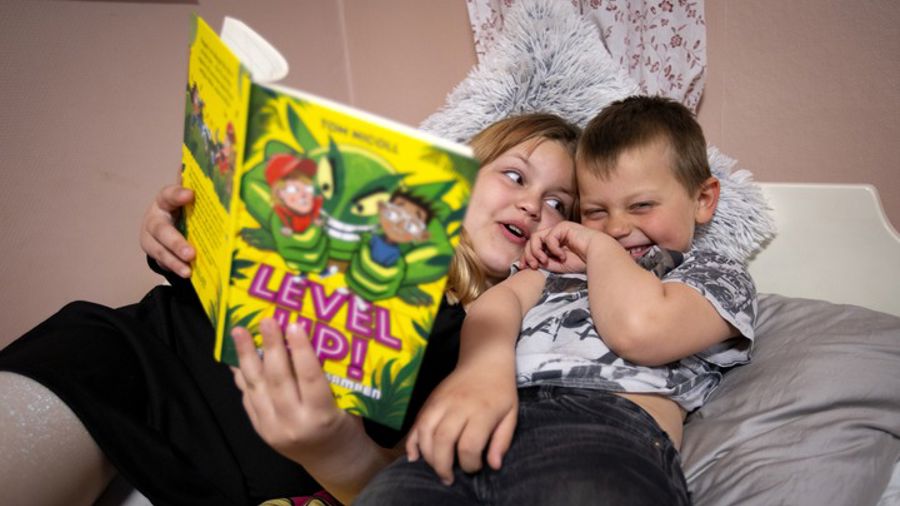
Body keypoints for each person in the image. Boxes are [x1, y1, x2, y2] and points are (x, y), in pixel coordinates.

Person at [0, 112, 579, 506]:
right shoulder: (365, 217)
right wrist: (179, 228)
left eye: (559, 203)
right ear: (461, 177)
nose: (533, 205)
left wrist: (342, 454)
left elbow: (412, 477)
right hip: (141, 360)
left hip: (248, 469)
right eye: (514, 175)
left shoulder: (500, 335)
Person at [355, 96, 758, 505]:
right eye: (596, 211)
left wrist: (597, 246)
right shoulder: (556, 271)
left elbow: (639, 331)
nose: (617, 227)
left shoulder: (710, 274)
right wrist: (482, 370)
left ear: (703, 200)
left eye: (641, 205)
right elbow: (498, 303)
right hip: (490, 417)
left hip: (602, 434)